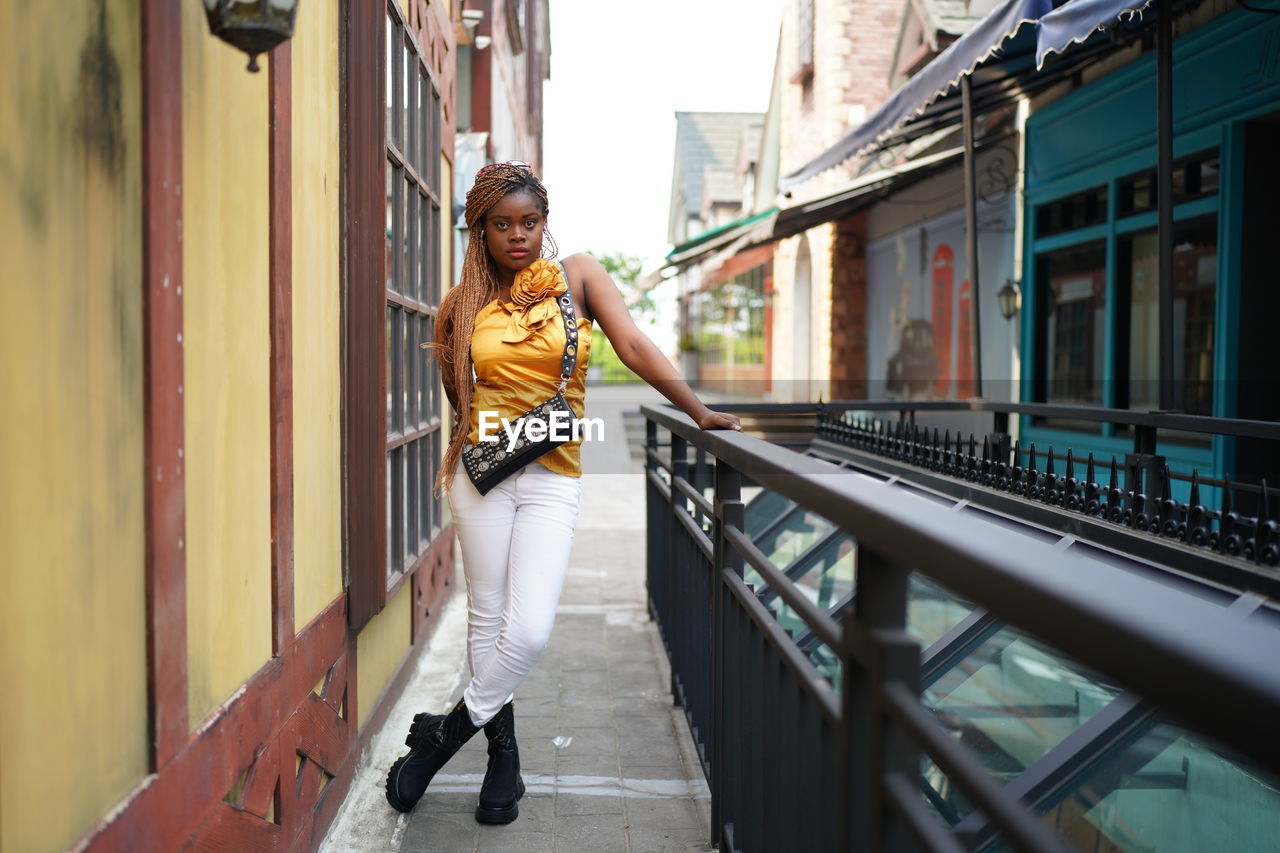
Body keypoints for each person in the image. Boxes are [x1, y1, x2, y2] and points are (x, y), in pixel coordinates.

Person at [385, 161, 742, 823]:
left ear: (545, 222)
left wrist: (698, 410)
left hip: (553, 476)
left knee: (529, 628)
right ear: (481, 230)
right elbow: (460, 399)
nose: (518, 235)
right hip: (483, 477)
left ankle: (439, 740)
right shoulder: (461, 304)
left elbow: (632, 343)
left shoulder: (577, 277)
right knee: (489, 623)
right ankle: (504, 762)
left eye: (530, 221)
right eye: (502, 224)